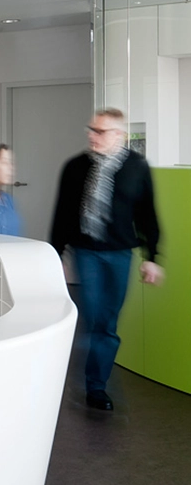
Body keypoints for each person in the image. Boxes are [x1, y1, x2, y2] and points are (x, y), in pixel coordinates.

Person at [50, 107, 162, 411]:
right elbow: (62, 213)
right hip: (87, 253)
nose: (91, 135)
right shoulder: (75, 166)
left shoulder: (137, 167)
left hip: (119, 255)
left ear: (119, 135)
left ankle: (96, 383)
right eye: (90, 129)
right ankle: (94, 384)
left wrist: (152, 256)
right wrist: (56, 254)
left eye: (99, 131)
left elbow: (147, 214)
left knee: (107, 323)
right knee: (94, 315)